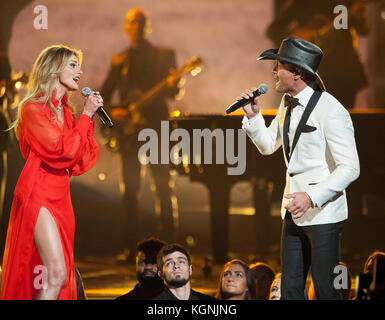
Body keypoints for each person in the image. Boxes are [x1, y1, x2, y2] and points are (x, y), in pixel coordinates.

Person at [239, 36, 360, 299]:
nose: (273, 71)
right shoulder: (287, 103)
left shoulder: (331, 109)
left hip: (323, 214)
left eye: (278, 65)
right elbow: (269, 145)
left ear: (297, 72)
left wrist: (311, 197)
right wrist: (254, 117)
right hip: (293, 210)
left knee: (325, 288)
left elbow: (350, 167)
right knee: (291, 287)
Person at [0, 45, 100, 299]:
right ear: (54, 68)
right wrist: (87, 115)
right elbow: (61, 151)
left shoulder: (67, 112)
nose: (80, 71)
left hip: (62, 197)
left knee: (62, 274)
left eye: (79, 65)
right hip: (39, 194)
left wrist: (86, 121)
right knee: (55, 273)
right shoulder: (32, 109)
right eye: (73, 65)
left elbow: (81, 160)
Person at [100, 8, 181, 262]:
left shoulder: (164, 55)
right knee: (130, 190)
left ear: (147, 27)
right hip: (129, 134)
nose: (135, 26)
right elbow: (101, 97)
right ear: (126, 27)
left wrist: (175, 85)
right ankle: (131, 249)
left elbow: (172, 93)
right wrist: (115, 113)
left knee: (163, 188)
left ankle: (170, 248)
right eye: (132, 22)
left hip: (157, 129)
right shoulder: (119, 60)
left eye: (140, 22)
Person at [266, 0, 370, 109]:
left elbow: (364, 29)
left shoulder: (347, 3)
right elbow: (274, 31)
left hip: (344, 74)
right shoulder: (302, 3)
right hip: (312, 73)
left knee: (341, 118)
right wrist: (298, 36)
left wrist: (360, 13)